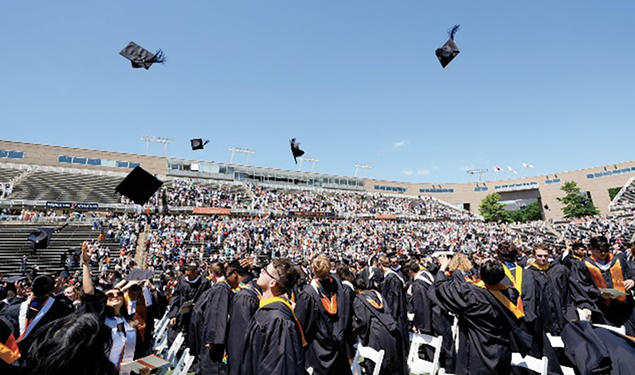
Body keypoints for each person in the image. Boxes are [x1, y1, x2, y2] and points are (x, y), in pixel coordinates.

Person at [430, 260, 533, 375]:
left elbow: (439, 288)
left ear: (480, 274)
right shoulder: (511, 294)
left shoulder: (471, 295)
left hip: (476, 353)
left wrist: (442, 269)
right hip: (501, 351)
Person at [239, 258, 305, 375]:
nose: (261, 271)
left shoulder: (278, 320)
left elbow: (277, 367)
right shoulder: (268, 311)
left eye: (265, 271)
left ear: (272, 283)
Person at [295, 255, 352, 375]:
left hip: (318, 354)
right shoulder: (338, 286)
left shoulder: (308, 294)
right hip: (339, 350)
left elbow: (300, 326)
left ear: (313, 271)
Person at [570, 236, 635, 334]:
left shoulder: (618, 260)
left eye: (606, 250)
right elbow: (582, 287)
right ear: (591, 249)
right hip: (602, 310)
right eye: (600, 250)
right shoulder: (583, 265)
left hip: (625, 308)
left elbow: (632, 274)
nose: (603, 253)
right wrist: (598, 292)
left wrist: (632, 281)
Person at [189, 262, 238, 375]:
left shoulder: (220, 289)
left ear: (212, 273)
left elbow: (217, 314)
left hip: (212, 344)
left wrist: (212, 339)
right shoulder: (218, 288)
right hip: (207, 339)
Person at [352, 273, 406, 375]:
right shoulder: (377, 294)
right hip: (391, 328)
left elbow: (362, 321)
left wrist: (355, 327)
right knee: (393, 361)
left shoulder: (359, 300)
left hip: (376, 334)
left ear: (355, 289)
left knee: (379, 365)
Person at [227, 260, 262, 375]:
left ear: (235, 274)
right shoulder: (255, 285)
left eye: (227, 275)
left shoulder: (243, 297)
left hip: (244, 359)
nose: (226, 280)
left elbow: (241, 334)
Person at [166, 262, 208, 345]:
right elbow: (175, 297)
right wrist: (173, 315)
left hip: (195, 315)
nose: (187, 277)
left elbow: (205, 299)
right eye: (186, 274)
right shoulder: (182, 281)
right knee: (172, 334)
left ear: (196, 272)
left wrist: (197, 305)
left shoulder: (203, 283)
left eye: (190, 275)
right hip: (180, 314)